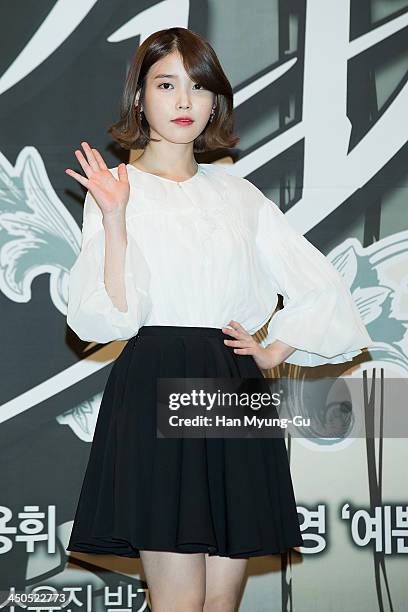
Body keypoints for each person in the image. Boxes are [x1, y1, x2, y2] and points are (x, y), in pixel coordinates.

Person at [64, 27, 373, 612]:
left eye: (199, 86)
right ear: (139, 98)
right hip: (157, 379)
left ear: (215, 103)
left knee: (221, 602)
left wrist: (276, 348)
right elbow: (111, 318)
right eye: (166, 84)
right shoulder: (117, 189)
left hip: (233, 386)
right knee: (179, 601)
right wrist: (115, 219)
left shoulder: (239, 194)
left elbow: (318, 285)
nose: (184, 101)